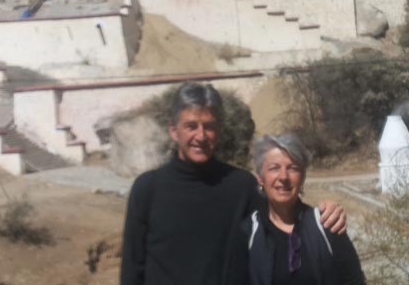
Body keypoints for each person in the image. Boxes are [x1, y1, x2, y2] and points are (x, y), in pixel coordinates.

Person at [121, 82, 347, 285]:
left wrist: (325, 213)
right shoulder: (148, 190)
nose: (201, 136)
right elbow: (132, 269)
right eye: (191, 126)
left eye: (208, 126)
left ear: (218, 131)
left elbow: (284, 220)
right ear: (173, 130)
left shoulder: (241, 187)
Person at [243, 134, 366, 285]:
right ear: (260, 178)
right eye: (274, 168)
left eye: (293, 168)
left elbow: (354, 280)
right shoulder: (249, 233)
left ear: (302, 178)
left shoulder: (326, 224)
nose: (284, 177)